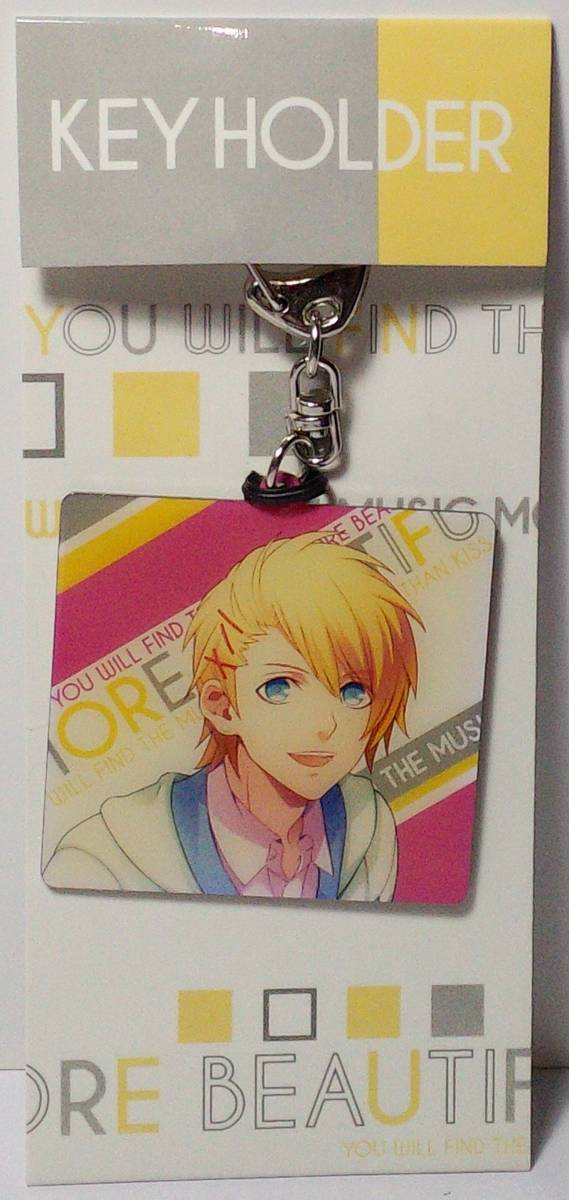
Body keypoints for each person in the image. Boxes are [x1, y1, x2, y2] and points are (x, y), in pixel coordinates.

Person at [44, 532, 421, 902]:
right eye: (279, 688)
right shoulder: (107, 858)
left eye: (353, 692)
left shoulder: (367, 829)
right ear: (221, 705)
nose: (325, 726)